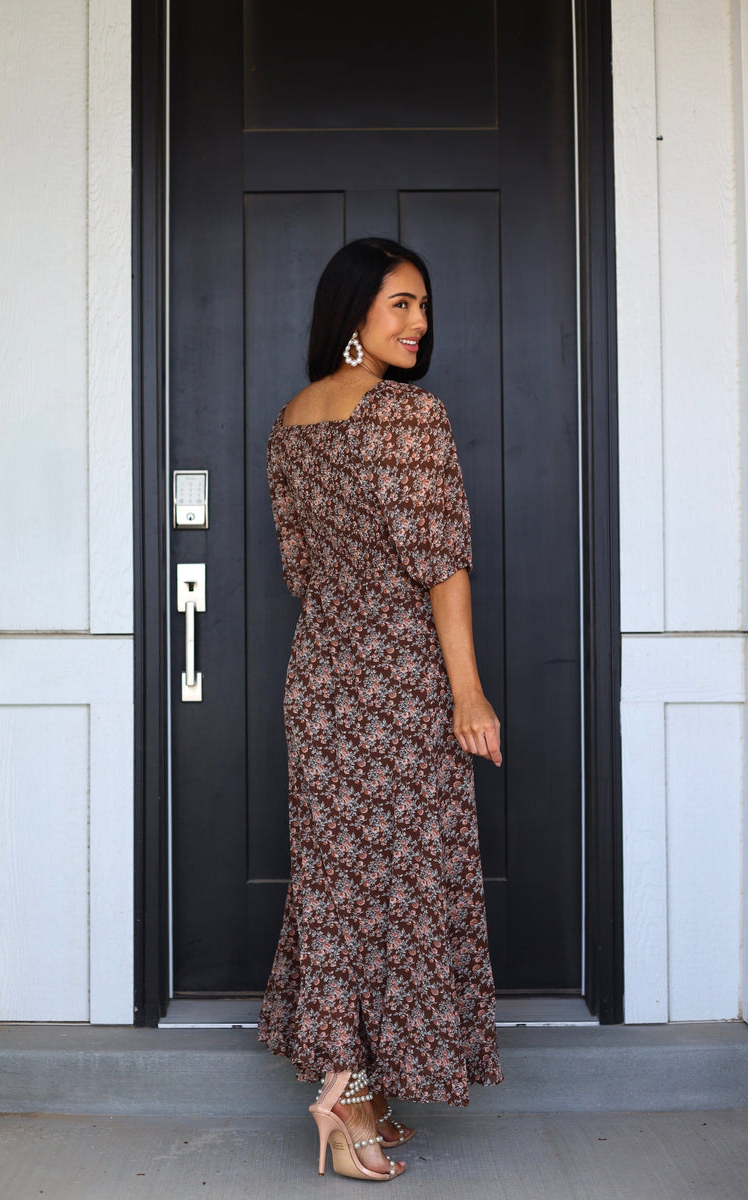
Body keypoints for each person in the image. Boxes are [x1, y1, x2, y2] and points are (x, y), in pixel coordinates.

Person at [257, 238, 504, 1182]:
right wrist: (468, 691)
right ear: (354, 310)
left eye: (424, 307)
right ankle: (347, 1100)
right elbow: (442, 565)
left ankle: (357, 1089)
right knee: (400, 884)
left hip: (321, 678)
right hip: (400, 683)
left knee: (337, 886)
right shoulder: (407, 416)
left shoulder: (289, 422)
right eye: (401, 304)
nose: (419, 324)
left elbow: (300, 569)